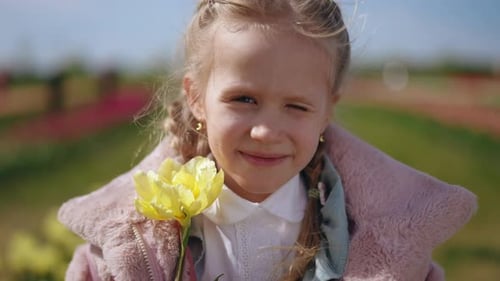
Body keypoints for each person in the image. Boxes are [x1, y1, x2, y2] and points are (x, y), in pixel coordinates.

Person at [58, 0, 477, 280]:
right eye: (244, 99)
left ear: (328, 110)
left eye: (296, 107)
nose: (265, 131)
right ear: (196, 98)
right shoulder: (122, 248)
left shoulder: (385, 238)